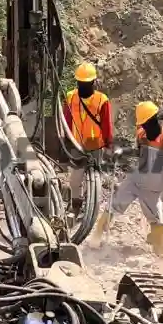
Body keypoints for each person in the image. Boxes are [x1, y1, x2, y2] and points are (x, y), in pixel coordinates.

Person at [93, 101, 163, 258]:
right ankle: (96, 237)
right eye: (143, 124)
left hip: (153, 185)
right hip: (135, 179)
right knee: (114, 203)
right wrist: (123, 152)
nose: (144, 128)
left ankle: (160, 250)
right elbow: (138, 152)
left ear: (155, 120)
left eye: (147, 124)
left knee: (156, 217)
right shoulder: (141, 134)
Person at [62, 62, 114, 214]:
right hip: (77, 145)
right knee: (75, 180)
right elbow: (66, 121)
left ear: (93, 82)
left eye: (86, 83)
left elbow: (106, 125)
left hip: (95, 146)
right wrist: (65, 141)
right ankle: (77, 205)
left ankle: (91, 203)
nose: (84, 85)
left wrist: (109, 145)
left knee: (93, 177)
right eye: (81, 83)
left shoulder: (101, 100)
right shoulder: (71, 97)